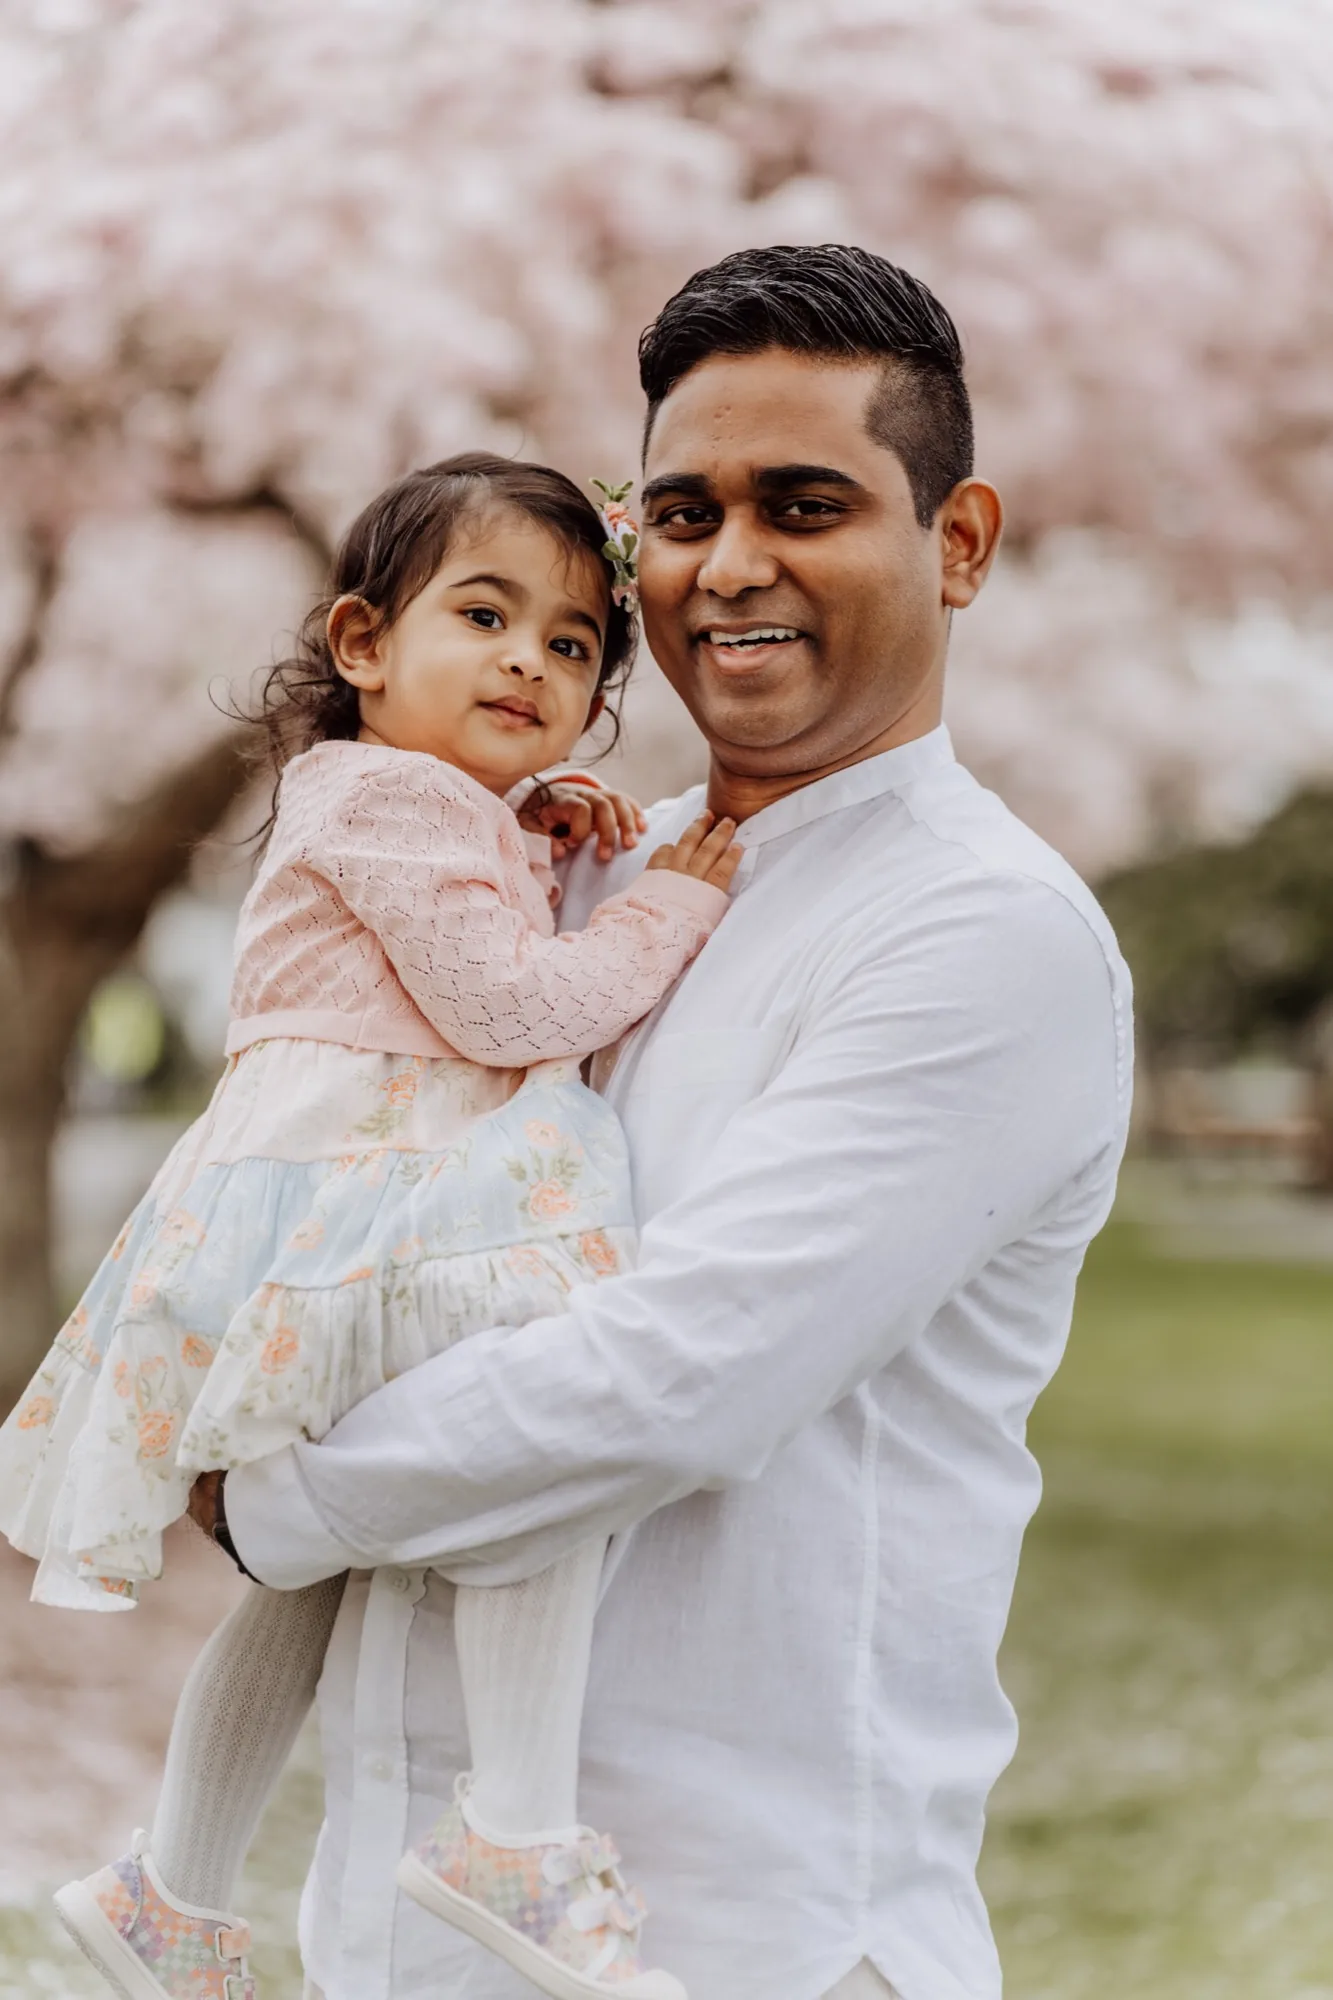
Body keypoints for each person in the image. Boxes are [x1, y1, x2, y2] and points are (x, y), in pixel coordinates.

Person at [0, 452, 743, 2000]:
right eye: (484, 616)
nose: (528, 662)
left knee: (313, 1566)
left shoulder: (398, 795)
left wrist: (529, 821)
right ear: (363, 644)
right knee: (549, 1445)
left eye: (571, 646)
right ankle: (514, 1836)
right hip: (374, 1192)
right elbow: (503, 1003)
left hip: (333, 1197)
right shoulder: (392, 796)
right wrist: (663, 907)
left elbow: (442, 914)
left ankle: (168, 1893)